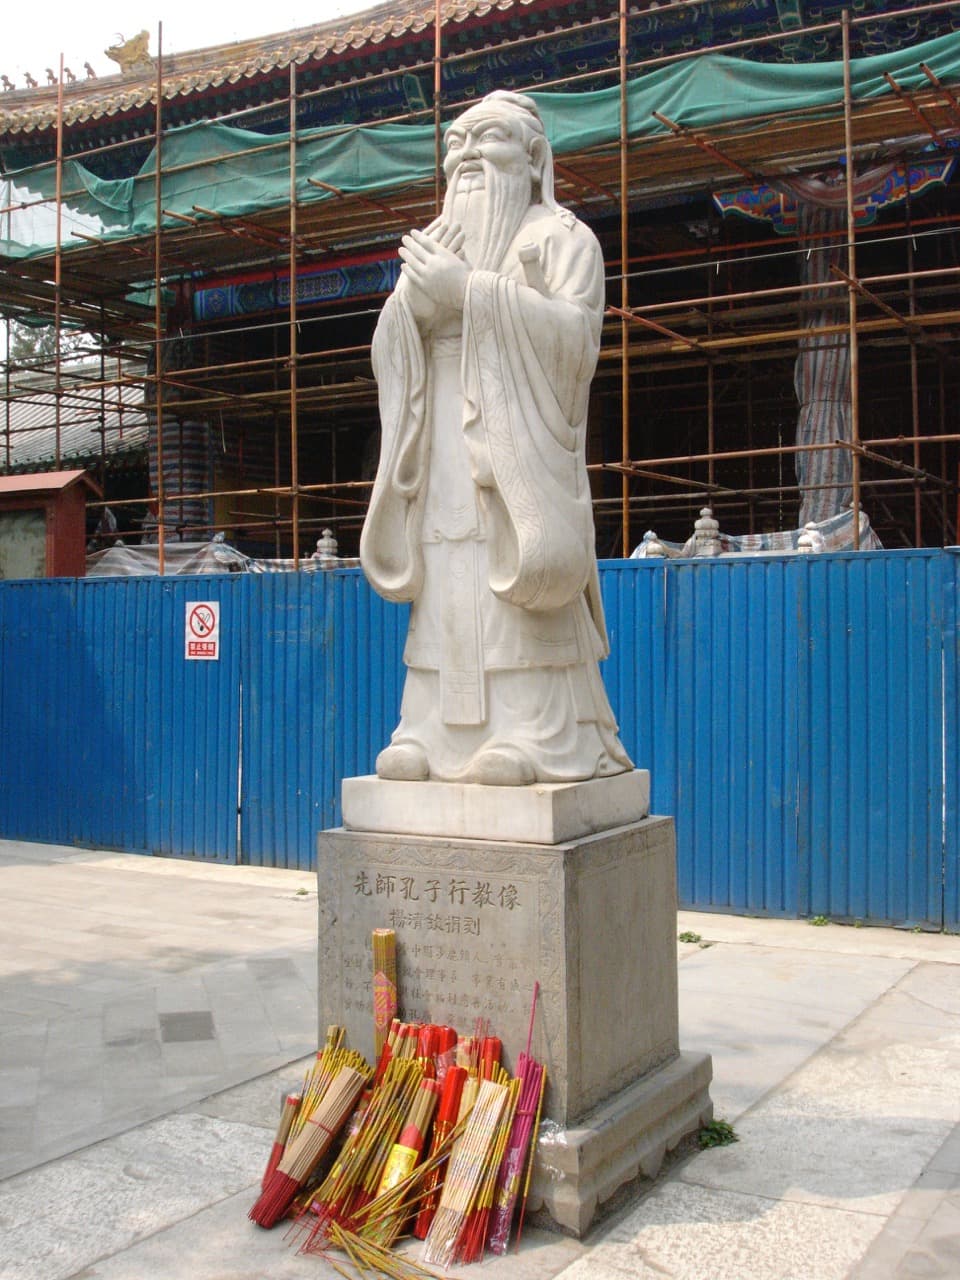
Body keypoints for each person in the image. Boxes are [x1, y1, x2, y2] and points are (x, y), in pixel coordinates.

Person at [360, 90, 632, 786]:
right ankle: (426, 731)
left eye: (491, 139)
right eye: (457, 143)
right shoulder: (438, 242)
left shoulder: (564, 239)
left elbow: (577, 344)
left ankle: (534, 737)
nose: (469, 155)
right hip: (442, 448)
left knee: (513, 582)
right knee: (447, 572)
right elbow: (392, 345)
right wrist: (413, 311)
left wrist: (473, 292)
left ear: (535, 157)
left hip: (518, 459)